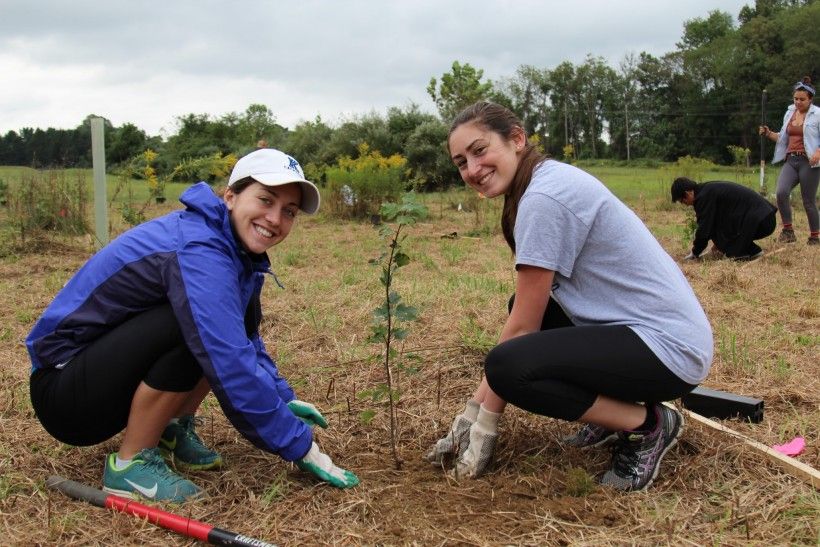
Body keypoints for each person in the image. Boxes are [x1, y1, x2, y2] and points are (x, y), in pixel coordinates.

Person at [27, 148, 359, 503]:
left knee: (223, 320)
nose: (275, 218)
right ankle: (130, 466)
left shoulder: (232, 248)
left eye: (289, 212)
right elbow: (229, 360)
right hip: (66, 392)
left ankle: (171, 427)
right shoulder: (200, 248)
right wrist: (298, 444)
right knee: (195, 327)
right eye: (265, 199)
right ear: (230, 196)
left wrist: (282, 398)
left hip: (99, 375)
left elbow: (244, 337)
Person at [425, 102, 713, 492]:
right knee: (522, 322)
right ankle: (613, 415)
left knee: (509, 367)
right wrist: (470, 414)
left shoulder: (544, 197)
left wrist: (483, 421)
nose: (472, 170)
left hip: (667, 349)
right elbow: (530, 312)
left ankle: (647, 425)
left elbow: (523, 329)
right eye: (461, 162)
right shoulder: (541, 180)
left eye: (480, 150)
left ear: (517, 139)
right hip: (637, 332)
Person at [759, 76, 820, 246]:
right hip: (791, 160)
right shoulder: (789, 112)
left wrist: (818, 151)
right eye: (796, 99)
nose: (798, 102)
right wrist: (768, 133)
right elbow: (782, 137)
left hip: (809, 162)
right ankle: (788, 231)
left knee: (808, 201)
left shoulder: (818, 115)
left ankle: (815, 236)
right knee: (781, 192)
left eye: (802, 99)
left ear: (810, 99)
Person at [671, 178, 777, 260]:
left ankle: (749, 252)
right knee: (716, 227)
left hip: (761, 221)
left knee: (713, 229)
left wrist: (695, 253)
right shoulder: (706, 190)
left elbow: (704, 229)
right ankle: (743, 250)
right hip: (766, 217)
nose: (684, 204)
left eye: (682, 201)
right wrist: (719, 245)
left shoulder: (703, 197)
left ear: (687, 193)